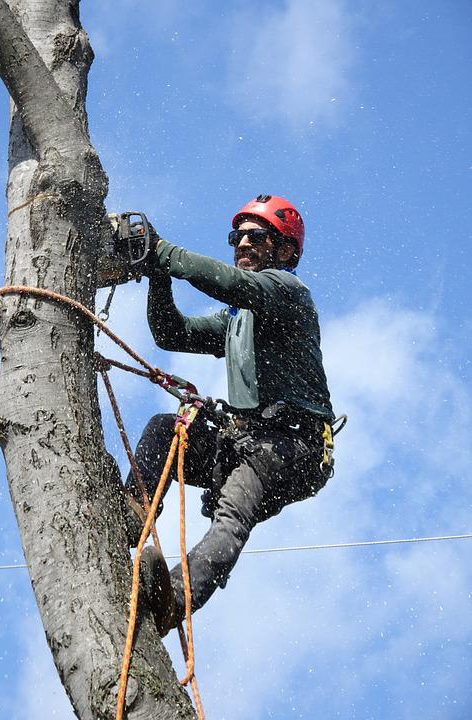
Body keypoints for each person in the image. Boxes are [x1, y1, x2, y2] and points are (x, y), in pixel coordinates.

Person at [124, 194, 335, 636]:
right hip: (246, 438)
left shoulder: (287, 293)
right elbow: (171, 333)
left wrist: (163, 252)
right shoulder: (238, 319)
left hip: (290, 445)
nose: (242, 243)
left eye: (255, 236)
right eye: (236, 236)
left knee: (231, 518)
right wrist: (156, 275)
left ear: (284, 251)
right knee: (165, 430)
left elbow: (231, 284)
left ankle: (174, 602)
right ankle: (134, 511)